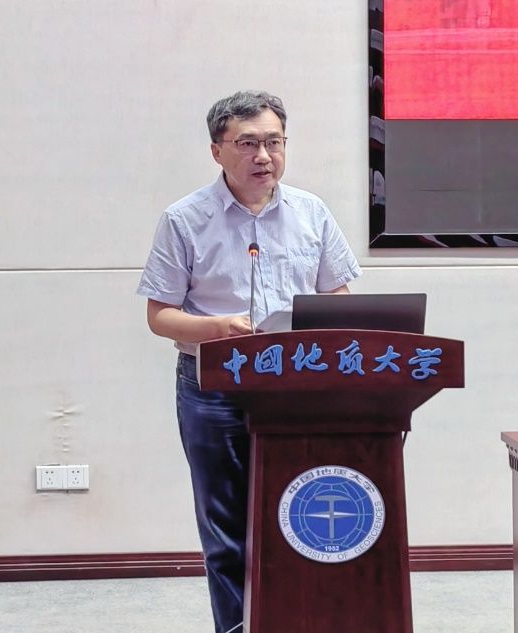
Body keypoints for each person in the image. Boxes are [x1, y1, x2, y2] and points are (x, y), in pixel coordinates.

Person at [137, 91, 361, 633]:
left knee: (300, 511)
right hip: (212, 386)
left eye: (274, 142)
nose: (264, 156)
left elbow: (338, 296)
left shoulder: (311, 212)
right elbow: (160, 315)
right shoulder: (185, 219)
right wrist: (217, 328)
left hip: (296, 385)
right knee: (226, 527)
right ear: (217, 151)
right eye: (248, 144)